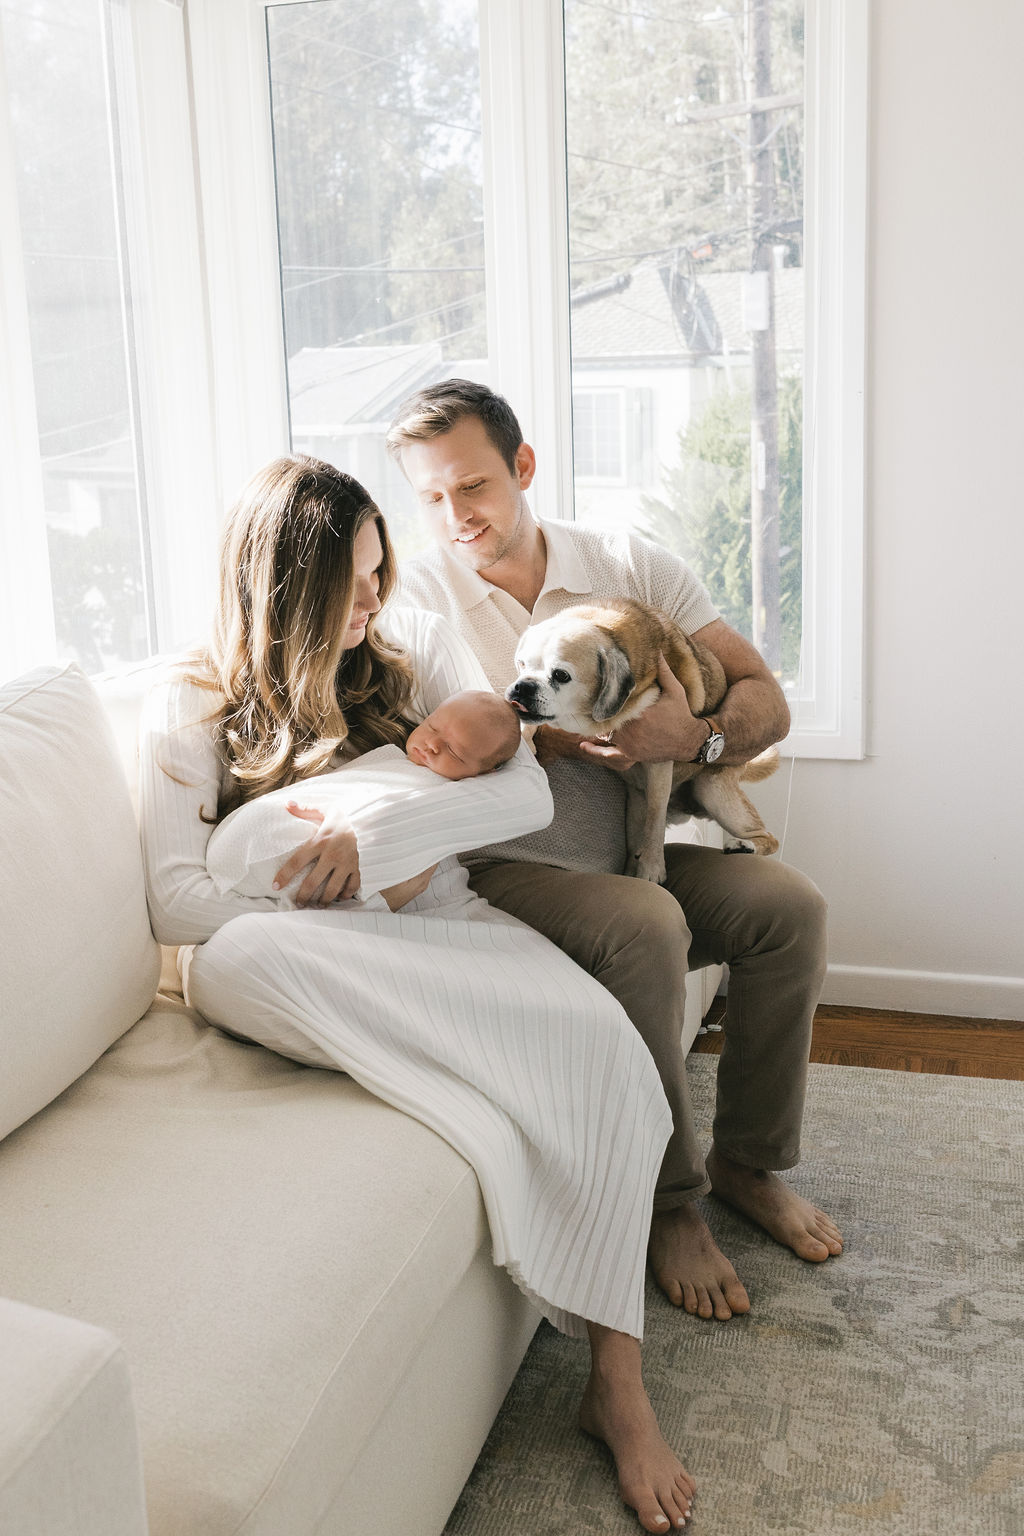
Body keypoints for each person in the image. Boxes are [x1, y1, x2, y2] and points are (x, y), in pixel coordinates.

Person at [137, 454, 696, 1532]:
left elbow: (519, 785)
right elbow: (173, 900)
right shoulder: (193, 698)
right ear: (277, 584)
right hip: (293, 949)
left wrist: (378, 831)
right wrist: (331, 900)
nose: (372, 599)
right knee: (246, 960)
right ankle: (472, 1077)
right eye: (348, 580)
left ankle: (615, 1383)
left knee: (603, 1049)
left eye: (379, 571)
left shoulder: (408, 649)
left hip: (429, 922)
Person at [388, 378, 843, 1324]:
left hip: (638, 851)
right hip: (515, 872)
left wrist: (696, 740)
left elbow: (765, 698)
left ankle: (747, 1165)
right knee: (647, 921)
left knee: (787, 908)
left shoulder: (630, 565)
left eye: (470, 487)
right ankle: (670, 1204)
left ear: (522, 467)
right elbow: (433, 750)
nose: (453, 517)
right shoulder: (415, 603)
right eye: (429, 498)